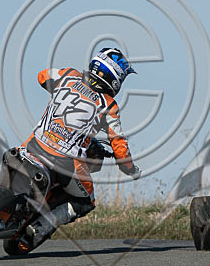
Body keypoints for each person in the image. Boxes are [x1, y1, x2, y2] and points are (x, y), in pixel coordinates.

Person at [21, 47, 141, 244]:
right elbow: (118, 143)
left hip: (33, 146)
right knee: (86, 201)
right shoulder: (109, 105)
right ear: (115, 77)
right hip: (65, 162)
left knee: (13, 158)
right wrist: (129, 168)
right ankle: (41, 227)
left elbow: (42, 76)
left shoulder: (68, 75)